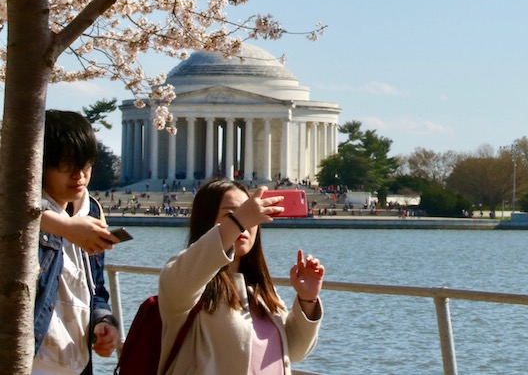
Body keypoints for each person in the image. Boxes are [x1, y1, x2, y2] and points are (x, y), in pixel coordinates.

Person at [158, 178, 325, 374]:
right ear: (206, 219)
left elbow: (294, 352)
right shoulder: (184, 279)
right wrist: (239, 220)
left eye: (251, 213)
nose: (247, 222)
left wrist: (308, 300)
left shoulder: (259, 289)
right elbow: (186, 275)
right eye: (232, 214)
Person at [34, 110, 119, 374]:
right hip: (30, 359)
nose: (79, 175)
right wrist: (64, 227)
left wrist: (103, 321)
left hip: (76, 363)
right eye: (66, 164)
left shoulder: (91, 212)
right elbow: (13, 211)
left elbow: (94, 288)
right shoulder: (20, 209)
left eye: (86, 164)